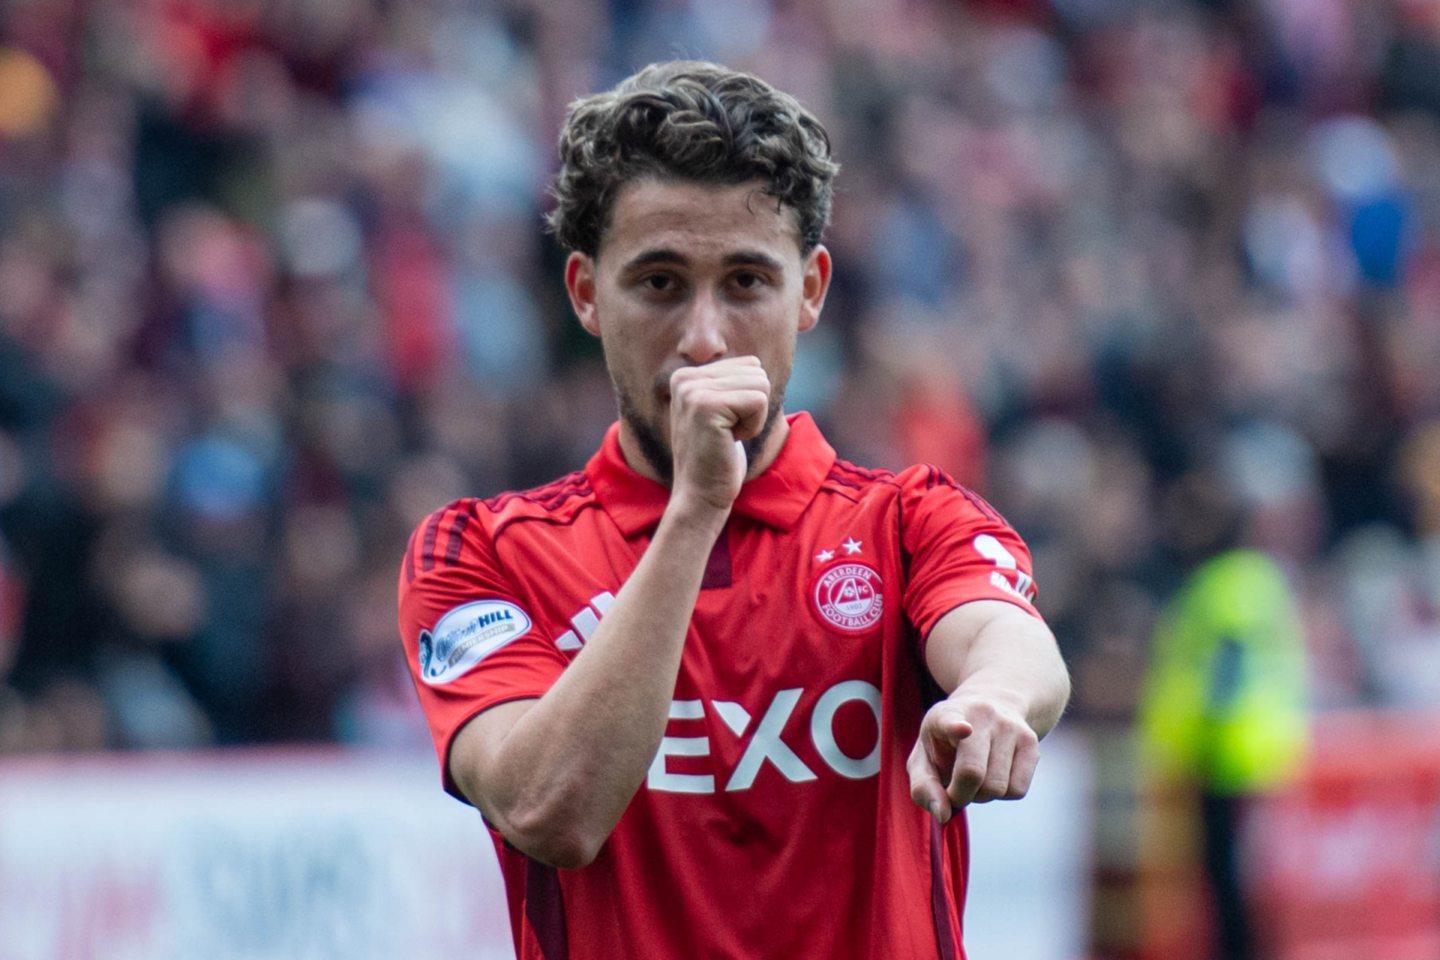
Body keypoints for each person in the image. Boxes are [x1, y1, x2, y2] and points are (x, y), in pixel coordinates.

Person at [397, 60, 1070, 960]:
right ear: (587, 294)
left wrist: (993, 698)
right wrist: (695, 510)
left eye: (747, 282)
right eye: (660, 283)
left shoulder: (909, 522)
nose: (705, 338)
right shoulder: (478, 553)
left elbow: (1009, 641)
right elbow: (547, 810)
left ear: (812, 292)